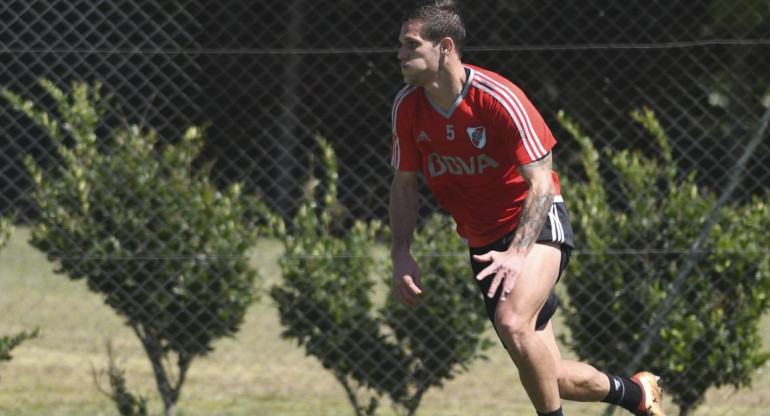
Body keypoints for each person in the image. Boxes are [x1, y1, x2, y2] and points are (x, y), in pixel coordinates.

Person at [388, 2, 666, 416]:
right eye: (401, 46)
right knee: (551, 376)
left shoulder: (498, 98)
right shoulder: (407, 106)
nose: (400, 54)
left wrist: (518, 254)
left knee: (514, 323)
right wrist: (401, 254)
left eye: (411, 45)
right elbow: (404, 185)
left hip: (535, 224)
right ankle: (637, 394)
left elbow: (540, 183)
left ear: (445, 47)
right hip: (484, 243)